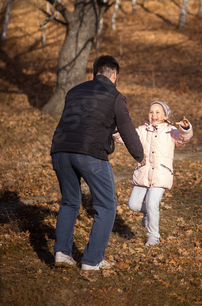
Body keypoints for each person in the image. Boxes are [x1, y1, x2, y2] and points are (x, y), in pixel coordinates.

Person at [50, 55, 145, 271]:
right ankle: (92, 261)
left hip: (60, 150)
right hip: (90, 153)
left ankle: (62, 253)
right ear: (114, 76)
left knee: (70, 202)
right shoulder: (115, 96)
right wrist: (140, 155)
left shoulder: (73, 91)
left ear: (93, 75)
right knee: (107, 205)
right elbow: (127, 127)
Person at [114, 101, 193, 246]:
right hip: (143, 173)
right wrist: (116, 132)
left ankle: (153, 236)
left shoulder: (171, 131)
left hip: (161, 174)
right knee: (133, 204)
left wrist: (185, 129)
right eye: (151, 112)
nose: (154, 115)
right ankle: (149, 213)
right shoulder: (142, 130)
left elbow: (183, 139)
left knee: (152, 203)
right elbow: (128, 139)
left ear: (165, 116)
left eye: (157, 112)